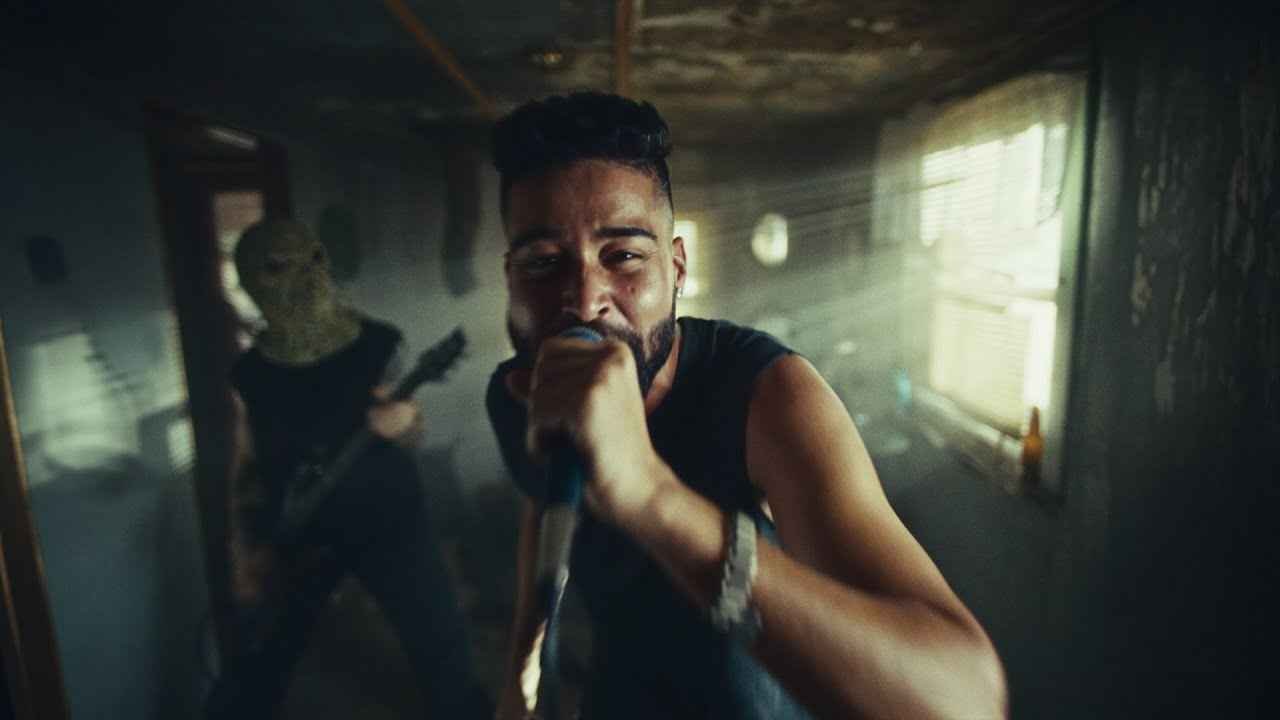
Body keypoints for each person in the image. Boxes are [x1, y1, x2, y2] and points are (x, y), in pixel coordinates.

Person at [485, 92, 1007, 719]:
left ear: (677, 268)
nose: (584, 298)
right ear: (510, 280)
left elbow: (963, 700)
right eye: (543, 263)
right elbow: (544, 503)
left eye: (622, 256)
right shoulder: (520, 392)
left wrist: (650, 492)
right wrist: (521, 670)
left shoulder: (768, 394)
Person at [206, 218, 490, 719]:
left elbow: (414, 429)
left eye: (313, 258)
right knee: (261, 659)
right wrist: (244, 551)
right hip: (301, 534)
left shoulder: (378, 344)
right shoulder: (248, 374)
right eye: (279, 267)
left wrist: (403, 422)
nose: (305, 277)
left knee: (442, 647)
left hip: (389, 520)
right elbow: (244, 465)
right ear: (253, 279)